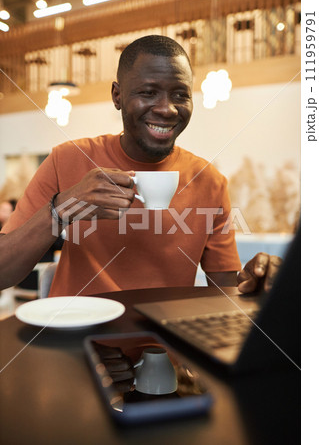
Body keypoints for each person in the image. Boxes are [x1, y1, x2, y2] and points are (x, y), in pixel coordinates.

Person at [0, 35, 281, 296]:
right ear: (117, 96)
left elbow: (225, 294)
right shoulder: (67, 159)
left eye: (181, 95)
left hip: (163, 344)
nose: (167, 108)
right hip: (74, 340)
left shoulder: (210, 181)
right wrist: (65, 207)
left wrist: (256, 281)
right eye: (148, 93)